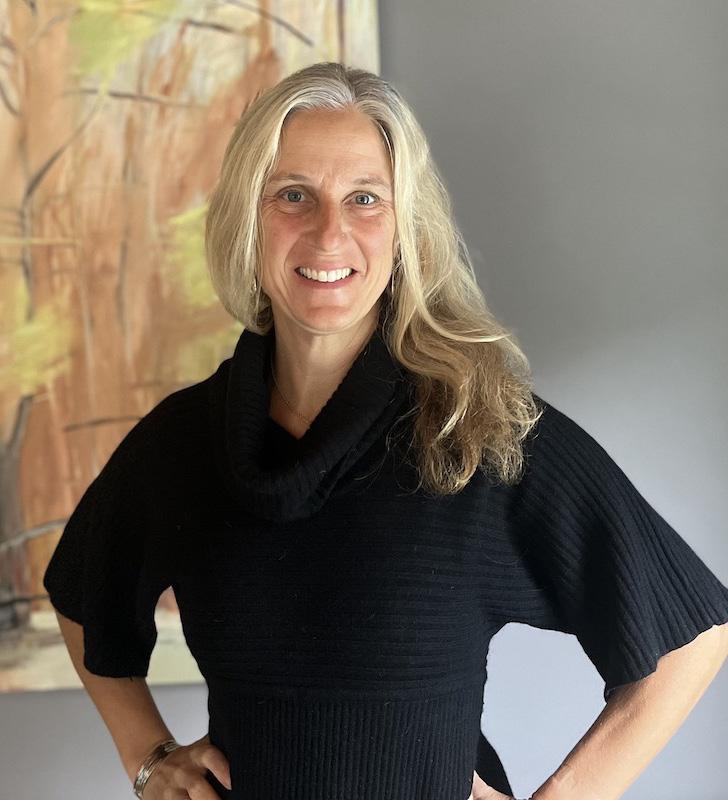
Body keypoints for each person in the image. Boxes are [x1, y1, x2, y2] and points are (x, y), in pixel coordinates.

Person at [43, 61, 728, 800]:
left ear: (405, 229)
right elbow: (81, 591)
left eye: (365, 198)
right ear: (249, 218)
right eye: (293, 195)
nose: (329, 232)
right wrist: (149, 759)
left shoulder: (475, 431)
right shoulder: (183, 443)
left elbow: (690, 639)